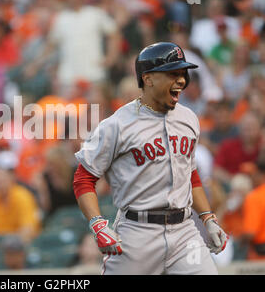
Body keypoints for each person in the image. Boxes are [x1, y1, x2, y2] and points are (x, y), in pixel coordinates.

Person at [73, 42, 228, 275]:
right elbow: (83, 178)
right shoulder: (116, 125)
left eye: (183, 74)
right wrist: (97, 223)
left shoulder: (189, 118)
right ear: (148, 79)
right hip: (137, 233)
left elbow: (190, 173)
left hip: (185, 232)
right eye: (172, 74)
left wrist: (208, 218)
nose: (182, 81)